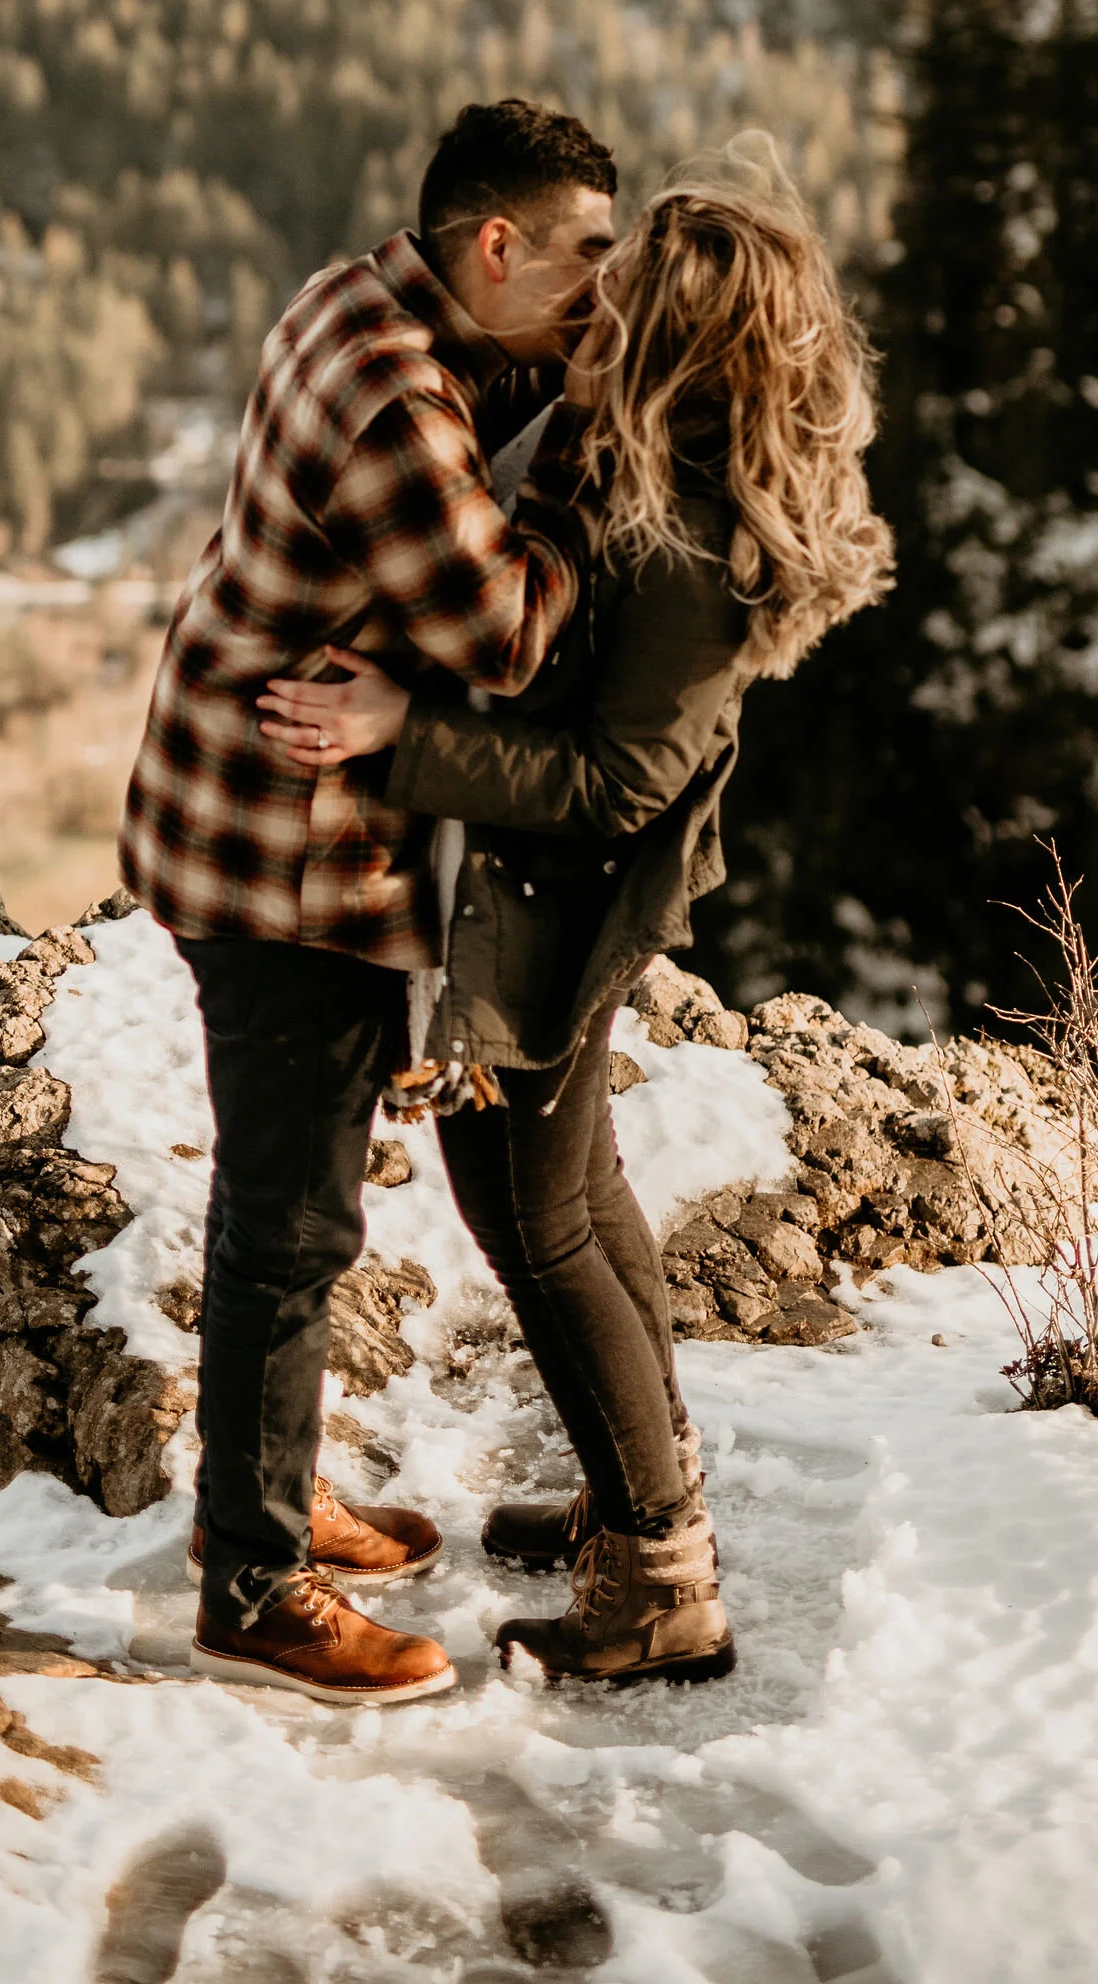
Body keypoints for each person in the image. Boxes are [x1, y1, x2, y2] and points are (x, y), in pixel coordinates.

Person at [259, 163, 894, 1688]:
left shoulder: (690, 524)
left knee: (534, 1222)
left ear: (678, 328)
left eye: (630, 282)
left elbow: (620, 779)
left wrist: (399, 735)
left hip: (566, 897)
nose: (596, 295)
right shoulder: (662, 455)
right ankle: (637, 1491)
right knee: (575, 1186)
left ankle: (662, 1580)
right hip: (549, 887)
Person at [122, 97, 618, 1707]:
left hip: (227, 803)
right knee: (292, 1216)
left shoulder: (357, 293)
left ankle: (271, 1497)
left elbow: (499, 374)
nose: (600, 301)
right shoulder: (401, 402)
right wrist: (592, 458)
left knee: (292, 1201)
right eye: (585, 262)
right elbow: (504, 636)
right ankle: (254, 1579)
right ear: (494, 247)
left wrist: (561, 370)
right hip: (286, 851)